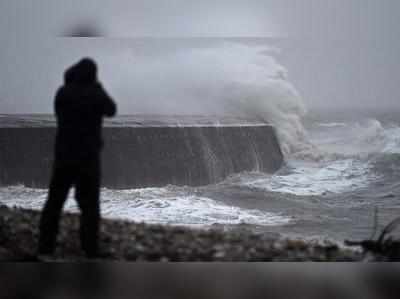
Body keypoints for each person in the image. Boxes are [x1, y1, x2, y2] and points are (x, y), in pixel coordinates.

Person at [38, 58, 117, 258]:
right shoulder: (95, 93)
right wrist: (98, 86)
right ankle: (90, 248)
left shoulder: (63, 93)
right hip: (88, 158)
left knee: (54, 201)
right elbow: (111, 109)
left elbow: (58, 112)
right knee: (90, 205)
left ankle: (45, 246)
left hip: (64, 155)